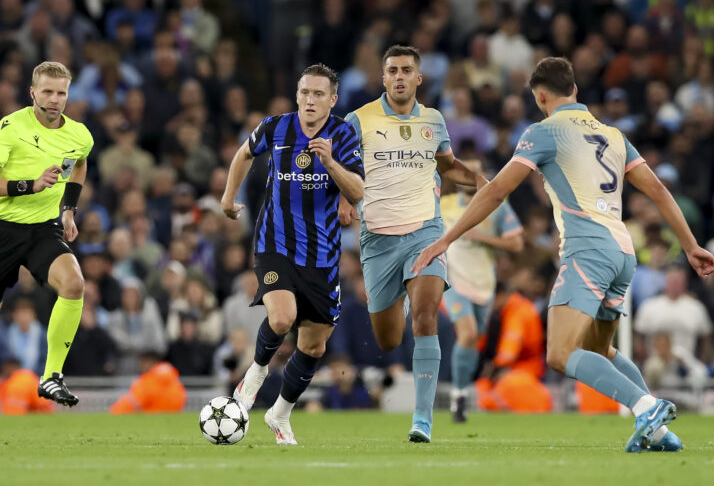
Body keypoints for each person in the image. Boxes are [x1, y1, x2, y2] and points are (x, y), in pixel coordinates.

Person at [413, 57, 714, 452]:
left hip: (587, 249)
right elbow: (659, 189)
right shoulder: (612, 134)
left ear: (541, 96)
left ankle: (647, 406)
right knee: (598, 350)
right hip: (623, 251)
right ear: (574, 89)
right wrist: (691, 245)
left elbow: (494, 191)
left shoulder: (544, 131)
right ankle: (659, 433)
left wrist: (446, 238)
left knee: (560, 353)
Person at [342, 45, 487, 443]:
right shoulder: (359, 120)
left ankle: (422, 420)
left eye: (407, 70)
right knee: (388, 338)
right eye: (393, 70)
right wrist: (342, 200)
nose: (400, 76)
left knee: (426, 317)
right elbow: (341, 166)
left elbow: (446, 165)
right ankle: (400, 294)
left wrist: (481, 182)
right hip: (378, 240)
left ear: (419, 78)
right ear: (383, 77)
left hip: (426, 231)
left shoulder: (434, 121)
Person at [221, 64, 364, 445]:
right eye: (304, 92)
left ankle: (280, 413)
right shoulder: (276, 127)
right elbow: (243, 154)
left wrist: (331, 162)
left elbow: (358, 190)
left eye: (319, 94)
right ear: (297, 94)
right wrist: (228, 195)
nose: (310, 100)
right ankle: (255, 372)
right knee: (282, 318)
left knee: (314, 344)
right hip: (275, 243)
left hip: (322, 254)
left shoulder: (343, 134)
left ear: (333, 100)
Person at [0, 61, 93, 407]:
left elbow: (78, 162)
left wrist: (69, 209)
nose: (55, 99)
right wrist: (31, 185)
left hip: (41, 228)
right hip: (3, 225)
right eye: (48, 92)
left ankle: (51, 376)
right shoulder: (10, 128)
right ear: (33, 92)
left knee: (74, 283)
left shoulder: (79, 134)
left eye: (62, 93)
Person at [440, 157, 524, 422]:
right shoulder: (444, 206)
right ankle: (458, 395)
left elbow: (517, 245)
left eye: (475, 172)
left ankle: (463, 390)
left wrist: (481, 237)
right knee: (467, 334)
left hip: (484, 284)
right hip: (453, 281)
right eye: (465, 172)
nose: (469, 177)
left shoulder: (497, 207)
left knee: (475, 339)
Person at [109, 352, 186, 414]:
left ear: (150, 362)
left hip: (152, 420)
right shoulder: (173, 378)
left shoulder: (148, 381)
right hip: (173, 419)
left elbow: (131, 402)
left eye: (142, 363)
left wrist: (114, 411)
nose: (140, 367)